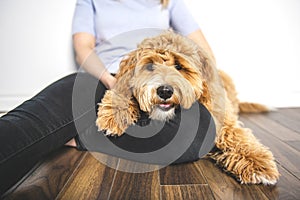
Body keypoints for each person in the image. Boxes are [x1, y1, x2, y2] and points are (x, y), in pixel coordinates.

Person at [0, 0, 216, 197]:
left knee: (201, 130)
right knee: (30, 123)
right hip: (103, 79)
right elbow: (83, 48)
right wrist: (112, 82)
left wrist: (182, 78)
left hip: (161, 84)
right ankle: (72, 126)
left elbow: (205, 54)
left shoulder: (169, 2)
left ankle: (76, 135)